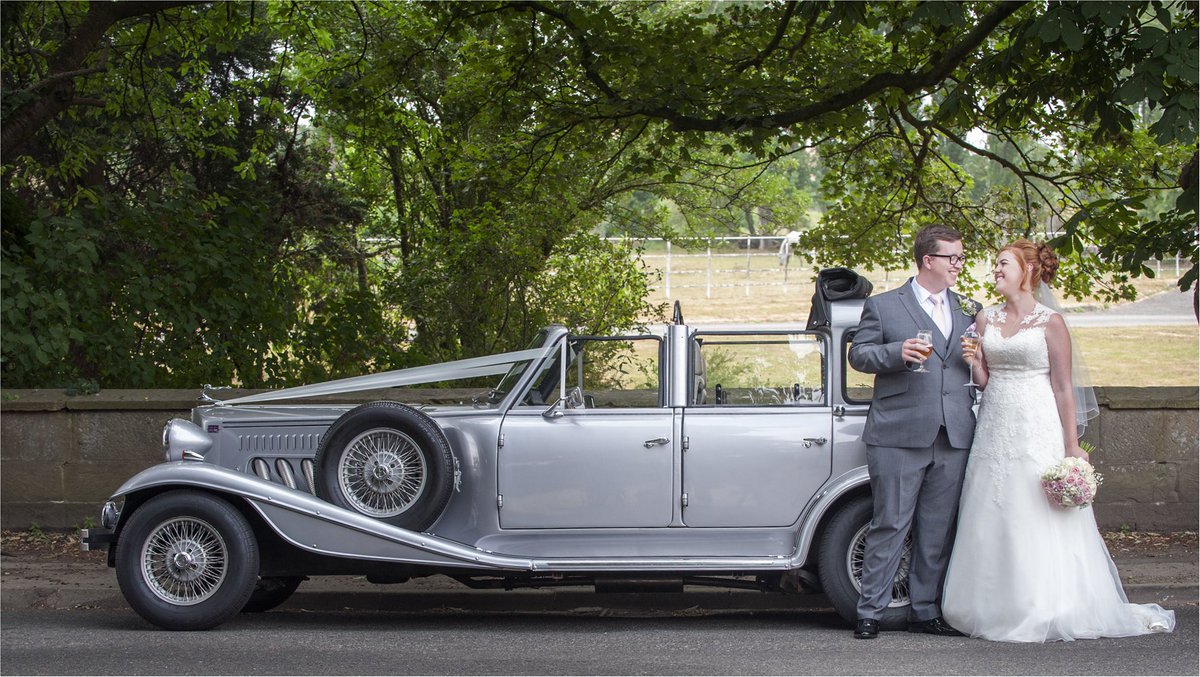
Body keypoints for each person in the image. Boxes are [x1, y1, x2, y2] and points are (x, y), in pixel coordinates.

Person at [941, 239, 1175, 642]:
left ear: (1028, 271)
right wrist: (975, 362)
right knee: (991, 506)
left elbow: (1064, 388)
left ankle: (1047, 602)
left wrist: (1071, 446)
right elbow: (984, 383)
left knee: (1035, 509)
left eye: (1003, 264)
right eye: (995, 265)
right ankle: (987, 603)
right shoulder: (985, 319)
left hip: (1037, 425)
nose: (995, 271)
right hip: (996, 423)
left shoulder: (1050, 322)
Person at [848, 224, 978, 639]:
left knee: (937, 528)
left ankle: (925, 611)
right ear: (929, 260)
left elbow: (975, 366)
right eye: (953, 257)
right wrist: (894, 353)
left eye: (960, 257)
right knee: (890, 523)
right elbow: (859, 355)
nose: (959, 264)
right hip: (898, 433)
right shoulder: (884, 306)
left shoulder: (970, 309)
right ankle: (870, 611)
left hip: (954, 433)